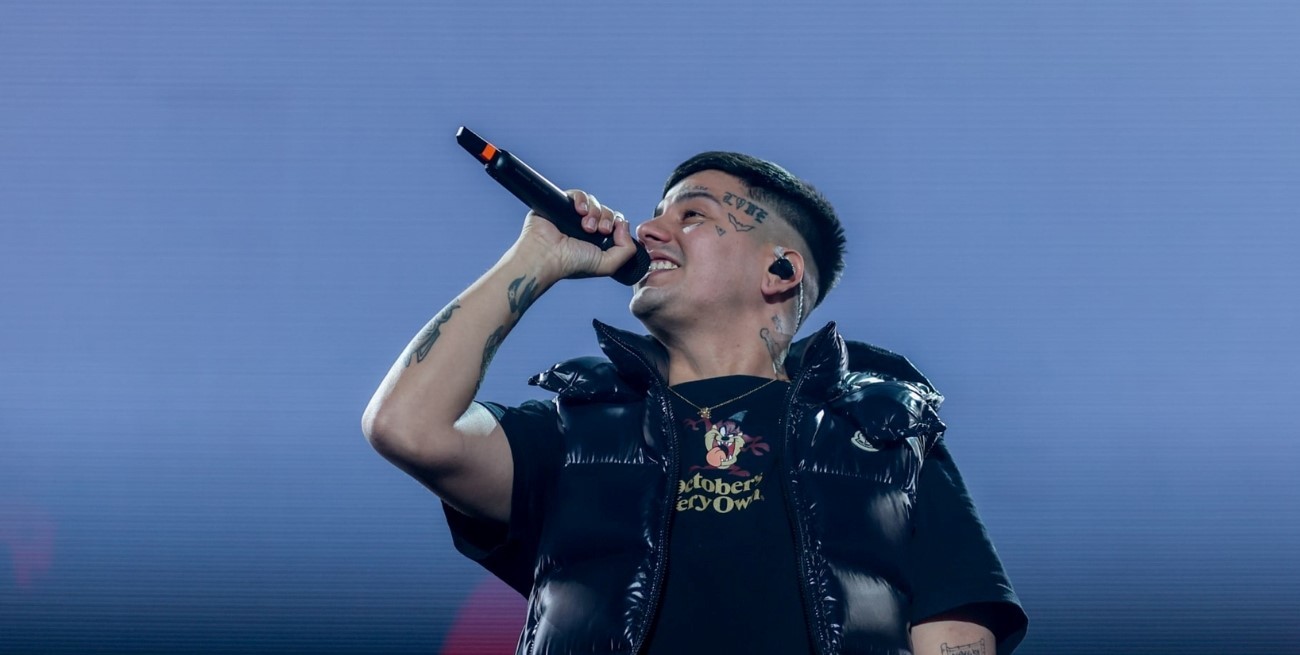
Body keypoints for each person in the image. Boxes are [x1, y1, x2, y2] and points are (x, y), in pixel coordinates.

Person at [362, 151, 1028, 654]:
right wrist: (535, 257)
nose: (648, 230)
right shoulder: (578, 427)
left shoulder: (886, 431)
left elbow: (955, 631)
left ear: (780, 270)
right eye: (657, 213)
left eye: (692, 215)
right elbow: (406, 426)